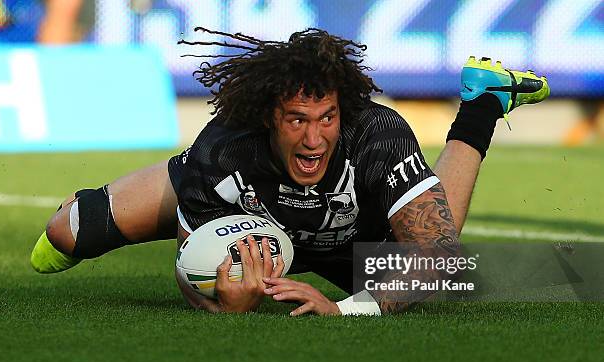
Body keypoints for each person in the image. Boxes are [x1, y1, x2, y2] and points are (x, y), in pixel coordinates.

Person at [30, 28, 550, 315]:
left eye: (326, 118)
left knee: (441, 266)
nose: (313, 138)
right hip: (242, 215)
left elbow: (437, 257)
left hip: (352, 240)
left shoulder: (377, 134)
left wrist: (344, 310)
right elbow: (190, 268)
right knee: (68, 231)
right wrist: (222, 304)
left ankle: (482, 102)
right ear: (268, 119)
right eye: (296, 120)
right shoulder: (224, 151)